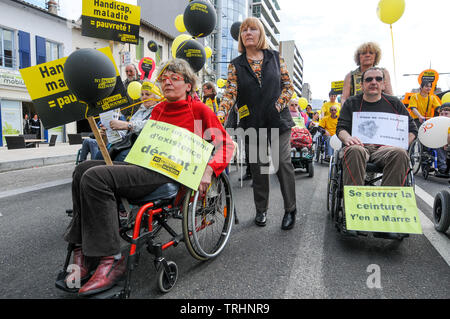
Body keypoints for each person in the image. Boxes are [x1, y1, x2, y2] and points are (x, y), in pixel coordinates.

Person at [63, 58, 234, 296]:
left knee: (95, 177)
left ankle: (110, 259)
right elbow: (140, 143)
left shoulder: (198, 111)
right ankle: (82, 252)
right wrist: (110, 133)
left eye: (174, 78)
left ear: (188, 85)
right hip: (143, 165)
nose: (167, 82)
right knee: (83, 169)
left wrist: (208, 170)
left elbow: (227, 144)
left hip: (168, 174)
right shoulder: (159, 109)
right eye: (164, 79)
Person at [219, 17, 297, 230]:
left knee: (282, 163)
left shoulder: (274, 56)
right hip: (253, 124)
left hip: (278, 121)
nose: (248, 33)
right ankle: (261, 210)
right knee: (259, 169)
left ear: (260, 33)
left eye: (252, 29)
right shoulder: (236, 65)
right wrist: (218, 117)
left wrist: (277, 106)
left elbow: (288, 87)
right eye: (244, 30)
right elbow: (229, 94)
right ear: (241, 37)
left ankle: (290, 209)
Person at [336, 67, 417, 187]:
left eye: (378, 79)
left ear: (383, 84)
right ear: (362, 85)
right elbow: (341, 128)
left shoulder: (395, 103)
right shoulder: (351, 103)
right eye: (369, 79)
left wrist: (400, 144)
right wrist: (347, 138)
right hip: (360, 146)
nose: (374, 82)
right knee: (354, 150)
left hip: (385, 149)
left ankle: (388, 201)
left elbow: (412, 130)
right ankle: (354, 201)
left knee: (400, 153)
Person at [78, 82, 160, 162]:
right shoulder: (141, 111)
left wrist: (128, 125)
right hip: (127, 144)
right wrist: (109, 131)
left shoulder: (159, 109)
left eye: (147, 94)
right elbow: (125, 133)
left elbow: (150, 125)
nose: (144, 97)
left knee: (120, 157)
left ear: (156, 96)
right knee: (100, 155)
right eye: (142, 95)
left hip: (143, 147)